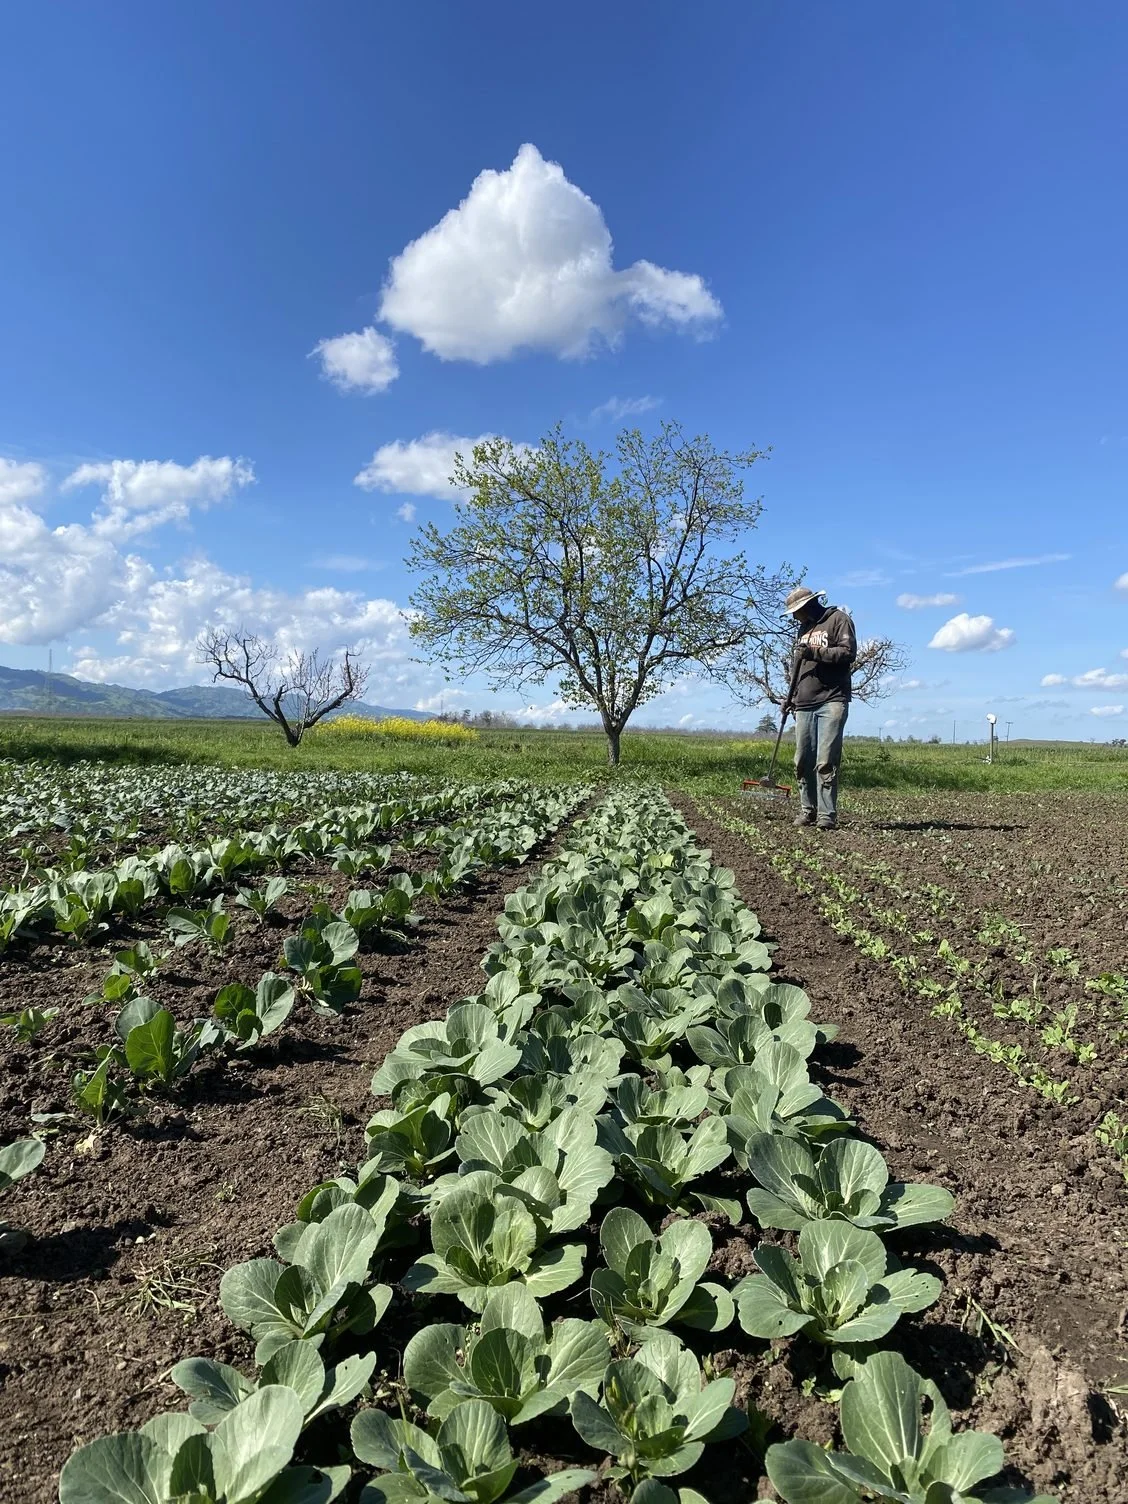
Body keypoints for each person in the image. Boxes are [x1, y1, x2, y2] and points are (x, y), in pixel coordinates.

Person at [781, 586, 857, 830]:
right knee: (802, 760)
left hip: (832, 699)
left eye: (796, 612)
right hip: (804, 702)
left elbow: (848, 653)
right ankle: (808, 810)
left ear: (807, 606)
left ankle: (827, 815)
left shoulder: (839, 620)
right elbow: (798, 667)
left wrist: (815, 652)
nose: (794, 617)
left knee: (825, 760)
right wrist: (790, 696)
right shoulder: (803, 629)